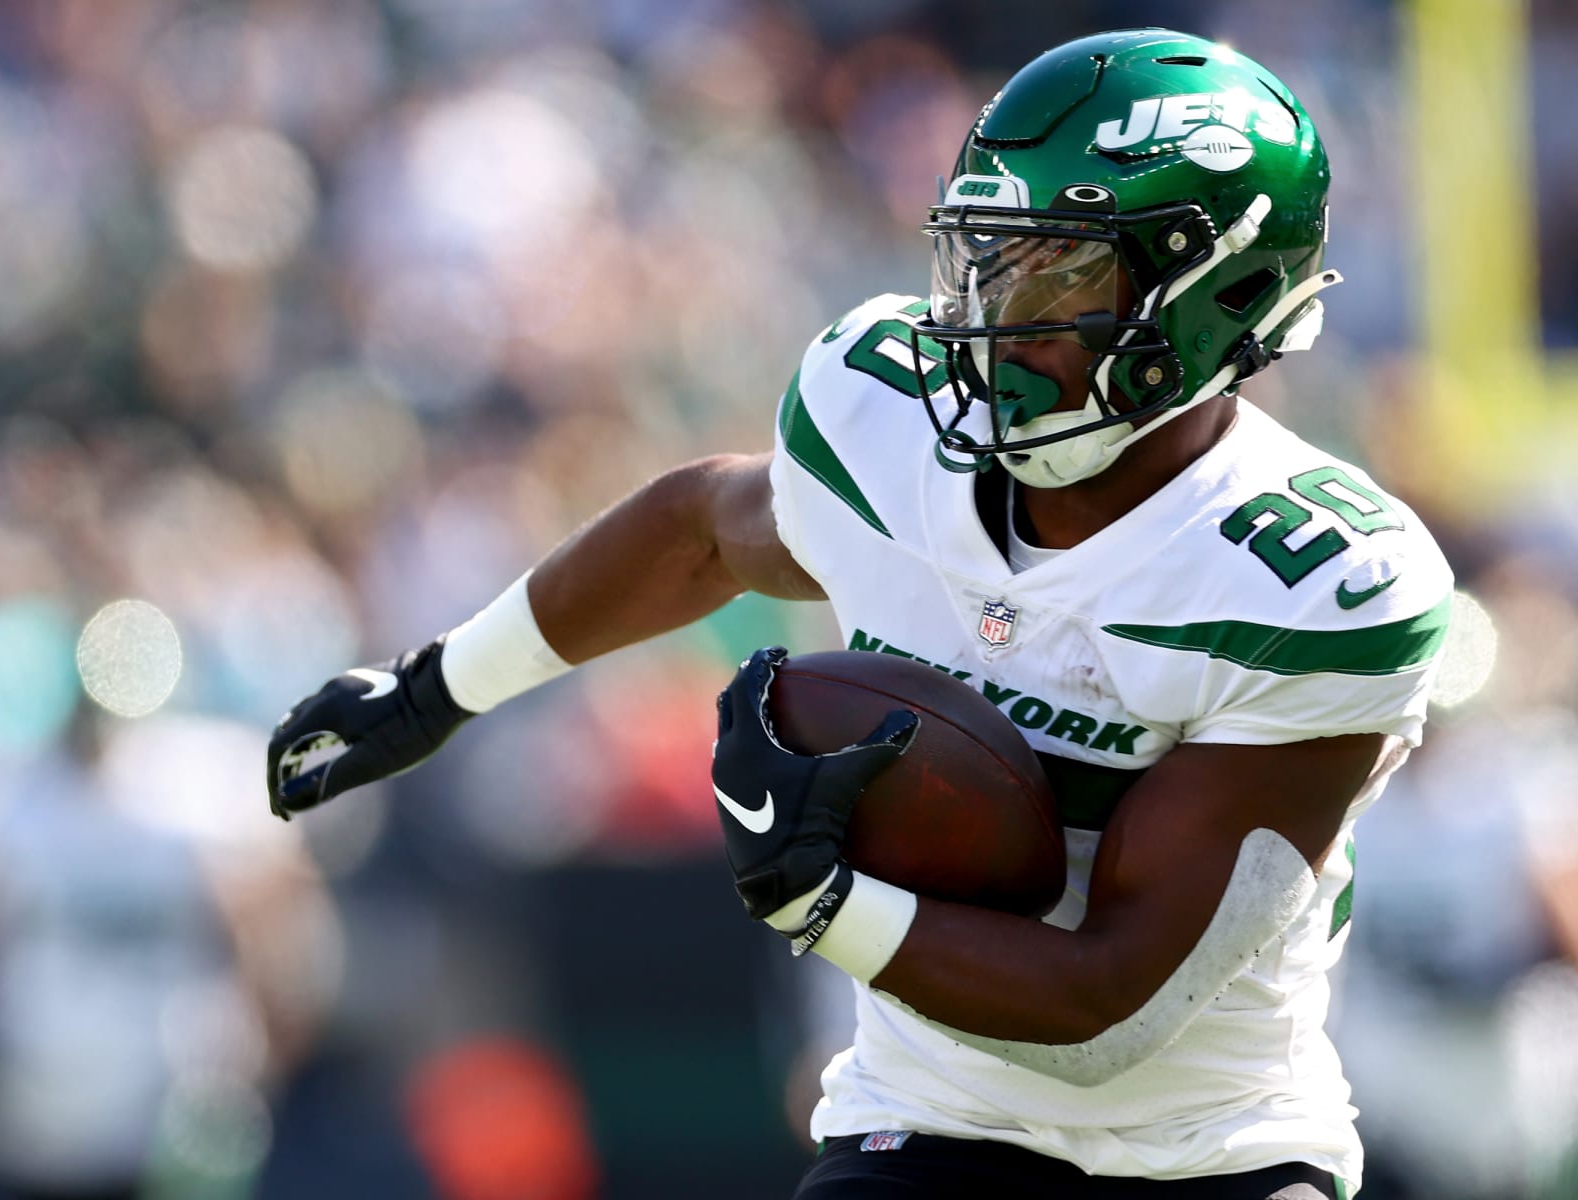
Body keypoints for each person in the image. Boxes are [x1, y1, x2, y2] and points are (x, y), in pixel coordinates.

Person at [266, 28, 1452, 1200]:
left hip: (1210, 1152)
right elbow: (701, 529)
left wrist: (822, 899)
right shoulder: (885, 412)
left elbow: (1107, 1005)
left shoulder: (1311, 580)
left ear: (1217, 299)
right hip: (928, 1124)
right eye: (987, 259)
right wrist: (437, 688)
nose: (996, 321)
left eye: (1059, 273)